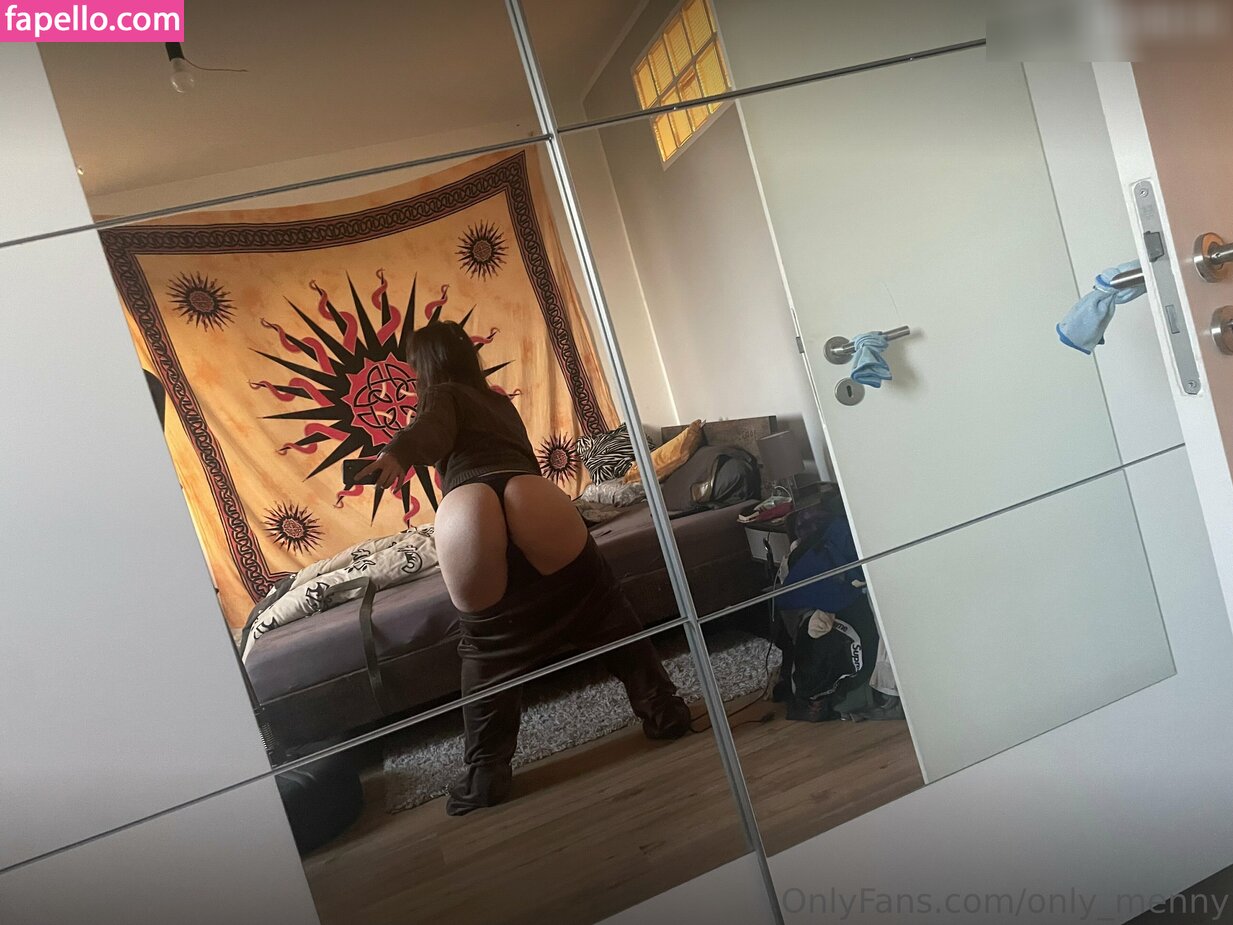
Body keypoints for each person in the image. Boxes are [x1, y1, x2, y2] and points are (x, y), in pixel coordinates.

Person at [360, 321, 691, 816]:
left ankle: (487, 775)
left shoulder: (439, 395)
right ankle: (665, 714)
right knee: (605, 609)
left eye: (413, 365)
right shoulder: (498, 402)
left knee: (486, 646)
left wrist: (398, 452)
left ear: (424, 366)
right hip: (529, 496)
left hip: (469, 507)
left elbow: (431, 429)